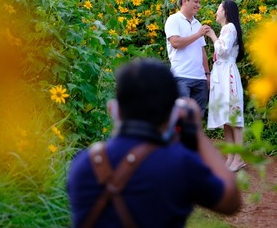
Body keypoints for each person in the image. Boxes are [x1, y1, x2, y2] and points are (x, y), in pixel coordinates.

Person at [67, 58, 241, 227]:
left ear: (113, 109)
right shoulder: (181, 164)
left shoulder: (83, 164)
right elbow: (231, 200)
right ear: (173, 114)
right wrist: (196, 131)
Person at [205, 0, 246, 172]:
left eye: (218, 9)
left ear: (226, 12)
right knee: (227, 119)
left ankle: (239, 157)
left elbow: (223, 51)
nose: (216, 12)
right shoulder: (226, 29)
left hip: (227, 75)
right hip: (221, 75)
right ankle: (231, 156)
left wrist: (213, 36)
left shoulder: (229, 28)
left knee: (234, 117)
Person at [164, 0, 212, 115]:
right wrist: (198, 34)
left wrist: (207, 74)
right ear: (185, 1)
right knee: (181, 116)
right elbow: (175, 43)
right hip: (181, 77)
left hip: (200, 78)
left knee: (197, 117)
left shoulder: (197, 23)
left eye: (199, 2)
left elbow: (202, 51)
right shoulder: (173, 20)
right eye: (195, 2)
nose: (198, 6)